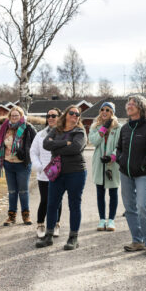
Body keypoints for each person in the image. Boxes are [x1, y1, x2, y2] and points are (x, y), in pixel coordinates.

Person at [117, 95, 146, 257]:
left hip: (143, 173)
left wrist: (144, 163)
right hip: (125, 173)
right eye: (128, 103)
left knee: (143, 207)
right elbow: (119, 148)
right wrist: (121, 160)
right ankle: (137, 241)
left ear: (140, 108)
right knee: (130, 208)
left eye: (132, 104)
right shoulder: (125, 128)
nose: (128, 106)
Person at [37, 105, 87, 250]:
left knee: (74, 204)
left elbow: (76, 148)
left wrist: (56, 147)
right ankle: (49, 236)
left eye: (77, 114)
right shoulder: (56, 130)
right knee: (52, 204)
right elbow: (46, 144)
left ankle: (73, 238)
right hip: (56, 172)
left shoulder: (80, 131)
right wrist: (65, 143)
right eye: (72, 113)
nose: (75, 115)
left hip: (75, 172)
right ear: (65, 115)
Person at [0, 106, 37, 226]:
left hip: (22, 164)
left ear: (21, 116)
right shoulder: (5, 128)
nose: (14, 117)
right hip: (8, 164)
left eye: (16, 115)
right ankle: (11, 217)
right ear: (9, 117)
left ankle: (26, 216)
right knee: (12, 191)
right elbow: (1, 144)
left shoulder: (28, 127)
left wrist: (26, 153)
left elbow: (36, 143)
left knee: (23, 191)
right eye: (12, 115)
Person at [30, 108, 63, 238]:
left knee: (57, 200)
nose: (50, 118)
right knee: (45, 200)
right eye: (48, 115)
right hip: (44, 174)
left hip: (59, 173)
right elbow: (33, 152)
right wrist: (38, 166)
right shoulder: (40, 135)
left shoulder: (63, 134)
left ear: (59, 117)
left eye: (53, 116)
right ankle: (40, 225)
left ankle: (56, 224)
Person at [89, 102, 122, 232]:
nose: (104, 112)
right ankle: (102, 219)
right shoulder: (95, 127)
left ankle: (111, 220)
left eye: (108, 110)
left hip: (112, 164)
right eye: (102, 109)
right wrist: (103, 128)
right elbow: (94, 142)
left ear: (112, 112)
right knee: (100, 193)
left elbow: (120, 146)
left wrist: (112, 156)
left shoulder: (118, 128)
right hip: (99, 164)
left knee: (113, 192)